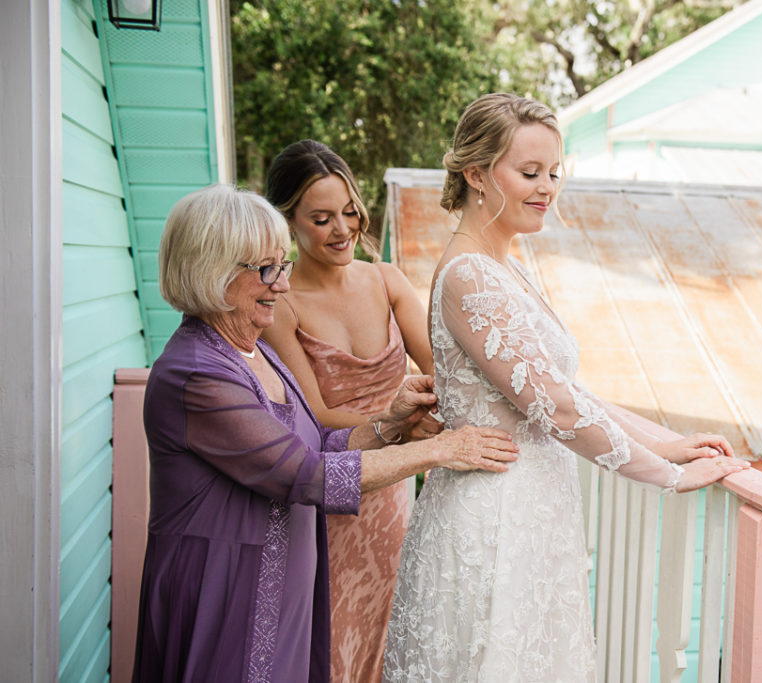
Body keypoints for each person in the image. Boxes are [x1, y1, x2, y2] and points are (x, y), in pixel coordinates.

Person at [381, 93, 750, 682]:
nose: (546, 186)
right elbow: (553, 406)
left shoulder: (503, 267)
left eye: (553, 172)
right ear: (476, 174)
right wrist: (670, 477)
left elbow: (566, 389)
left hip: (531, 514)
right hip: (495, 518)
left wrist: (669, 442)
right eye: (529, 173)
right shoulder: (470, 274)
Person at [132, 183, 518, 683]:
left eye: (282, 265)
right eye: (266, 270)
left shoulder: (254, 349)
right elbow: (306, 475)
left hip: (277, 589)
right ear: (213, 272)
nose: (282, 284)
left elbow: (312, 444)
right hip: (222, 591)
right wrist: (442, 449)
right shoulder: (197, 374)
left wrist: (391, 422)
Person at [260, 140, 435, 682]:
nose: (342, 229)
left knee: (393, 636)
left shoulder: (386, 281)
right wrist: (402, 420)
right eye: (321, 218)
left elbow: (447, 374)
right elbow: (310, 417)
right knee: (332, 642)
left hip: (395, 499)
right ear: (288, 221)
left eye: (349, 212)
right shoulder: (280, 306)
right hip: (330, 502)